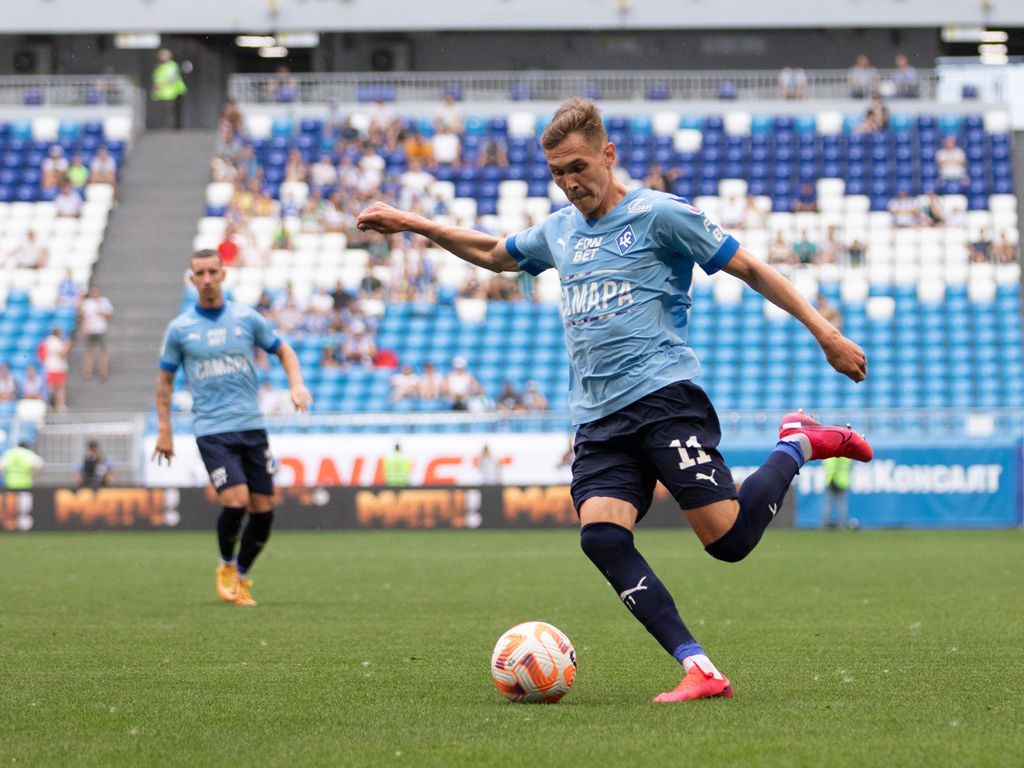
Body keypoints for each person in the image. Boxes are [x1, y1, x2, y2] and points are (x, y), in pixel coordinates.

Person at [358, 96, 873, 703]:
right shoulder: (558, 230)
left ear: (608, 154)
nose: (570, 183)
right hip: (597, 418)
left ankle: (797, 442)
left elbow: (752, 269)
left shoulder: (659, 215)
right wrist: (413, 223)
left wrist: (826, 332)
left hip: (663, 399)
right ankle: (700, 668)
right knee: (601, 537)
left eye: (578, 167)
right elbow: (494, 255)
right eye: (557, 173)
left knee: (729, 542)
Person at [154, 249, 312, 607]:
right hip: (212, 430)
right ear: (192, 279)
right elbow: (164, 381)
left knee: (265, 511)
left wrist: (296, 384)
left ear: (223, 274)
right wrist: (165, 429)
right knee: (237, 501)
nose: (207, 279)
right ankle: (226, 564)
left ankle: (240, 574)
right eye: (200, 273)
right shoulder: (180, 329)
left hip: (251, 426)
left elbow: (284, 350)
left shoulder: (246, 318)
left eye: (213, 271)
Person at [79, 285, 114, 382]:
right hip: (90, 329)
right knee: (89, 350)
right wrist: (83, 329)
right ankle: (87, 371)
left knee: (103, 350)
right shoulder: (87, 303)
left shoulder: (104, 302)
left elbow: (110, 316)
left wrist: (102, 313)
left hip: (100, 329)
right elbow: (83, 316)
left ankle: (103, 371)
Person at [151, 48, 187, 130]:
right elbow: (156, 78)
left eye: (164, 55)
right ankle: (163, 127)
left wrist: (161, 85)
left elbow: (172, 79)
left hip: (171, 92)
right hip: (161, 93)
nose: (162, 57)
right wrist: (156, 87)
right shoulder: (159, 66)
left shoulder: (172, 65)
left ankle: (170, 128)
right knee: (162, 111)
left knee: (170, 111)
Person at [39, 327, 71, 411]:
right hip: (56, 367)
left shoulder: (50, 341)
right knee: (58, 387)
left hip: (55, 367)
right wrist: (68, 346)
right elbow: (61, 354)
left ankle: (54, 404)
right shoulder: (54, 341)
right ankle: (58, 404)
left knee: (55, 387)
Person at [822, 455, 852, 529]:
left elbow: (830, 465)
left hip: (832, 480)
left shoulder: (831, 453)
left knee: (828, 504)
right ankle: (841, 525)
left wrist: (832, 478)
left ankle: (824, 524)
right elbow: (849, 465)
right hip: (843, 481)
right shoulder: (846, 454)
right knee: (842, 504)